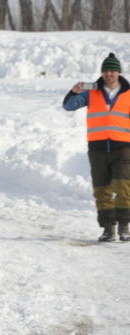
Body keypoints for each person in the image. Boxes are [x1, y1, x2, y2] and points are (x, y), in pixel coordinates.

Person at [63, 52, 130, 241]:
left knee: (123, 187)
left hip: (123, 148)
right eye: (106, 70)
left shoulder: (128, 94)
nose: (109, 74)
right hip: (97, 148)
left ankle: (124, 227)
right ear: (102, 73)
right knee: (102, 190)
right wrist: (73, 92)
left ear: (119, 72)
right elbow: (68, 106)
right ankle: (108, 229)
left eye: (113, 70)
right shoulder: (91, 92)